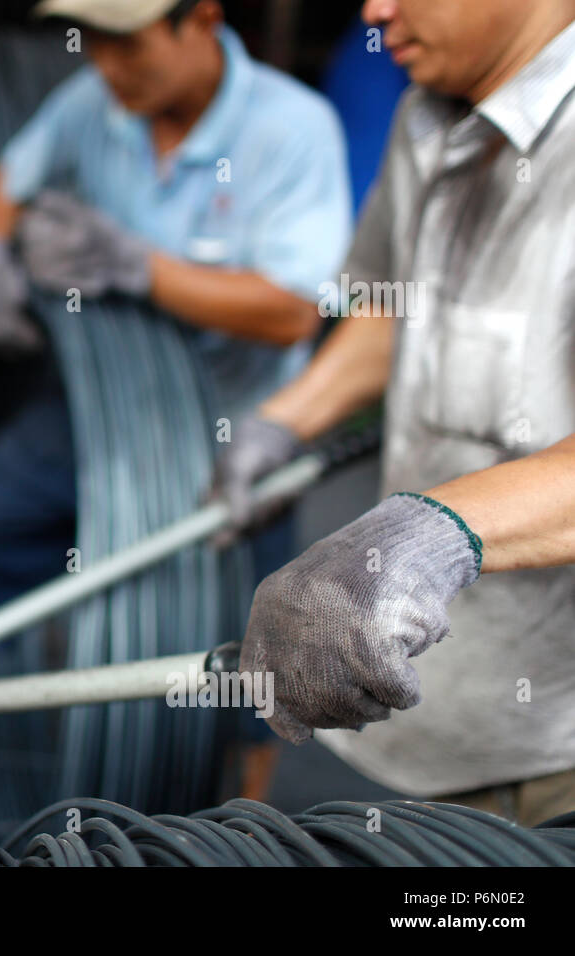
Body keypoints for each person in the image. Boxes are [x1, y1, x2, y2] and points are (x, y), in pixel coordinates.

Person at [0, 0, 352, 787]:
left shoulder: (293, 128)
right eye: (95, 44)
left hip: (241, 429)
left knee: (254, 634)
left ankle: (243, 818)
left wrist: (140, 268)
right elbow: (14, 172)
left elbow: (291, 311)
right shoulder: (97, 102)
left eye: (127, 45)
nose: (105, 66)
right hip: (109, 410)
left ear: (200, 18)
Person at [213, 0, 575, 826]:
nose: (375, 10)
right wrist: (285, 422)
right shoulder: (424, 113)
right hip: (437, 693)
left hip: (560, 738)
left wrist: (431, 532)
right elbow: (389, 307)